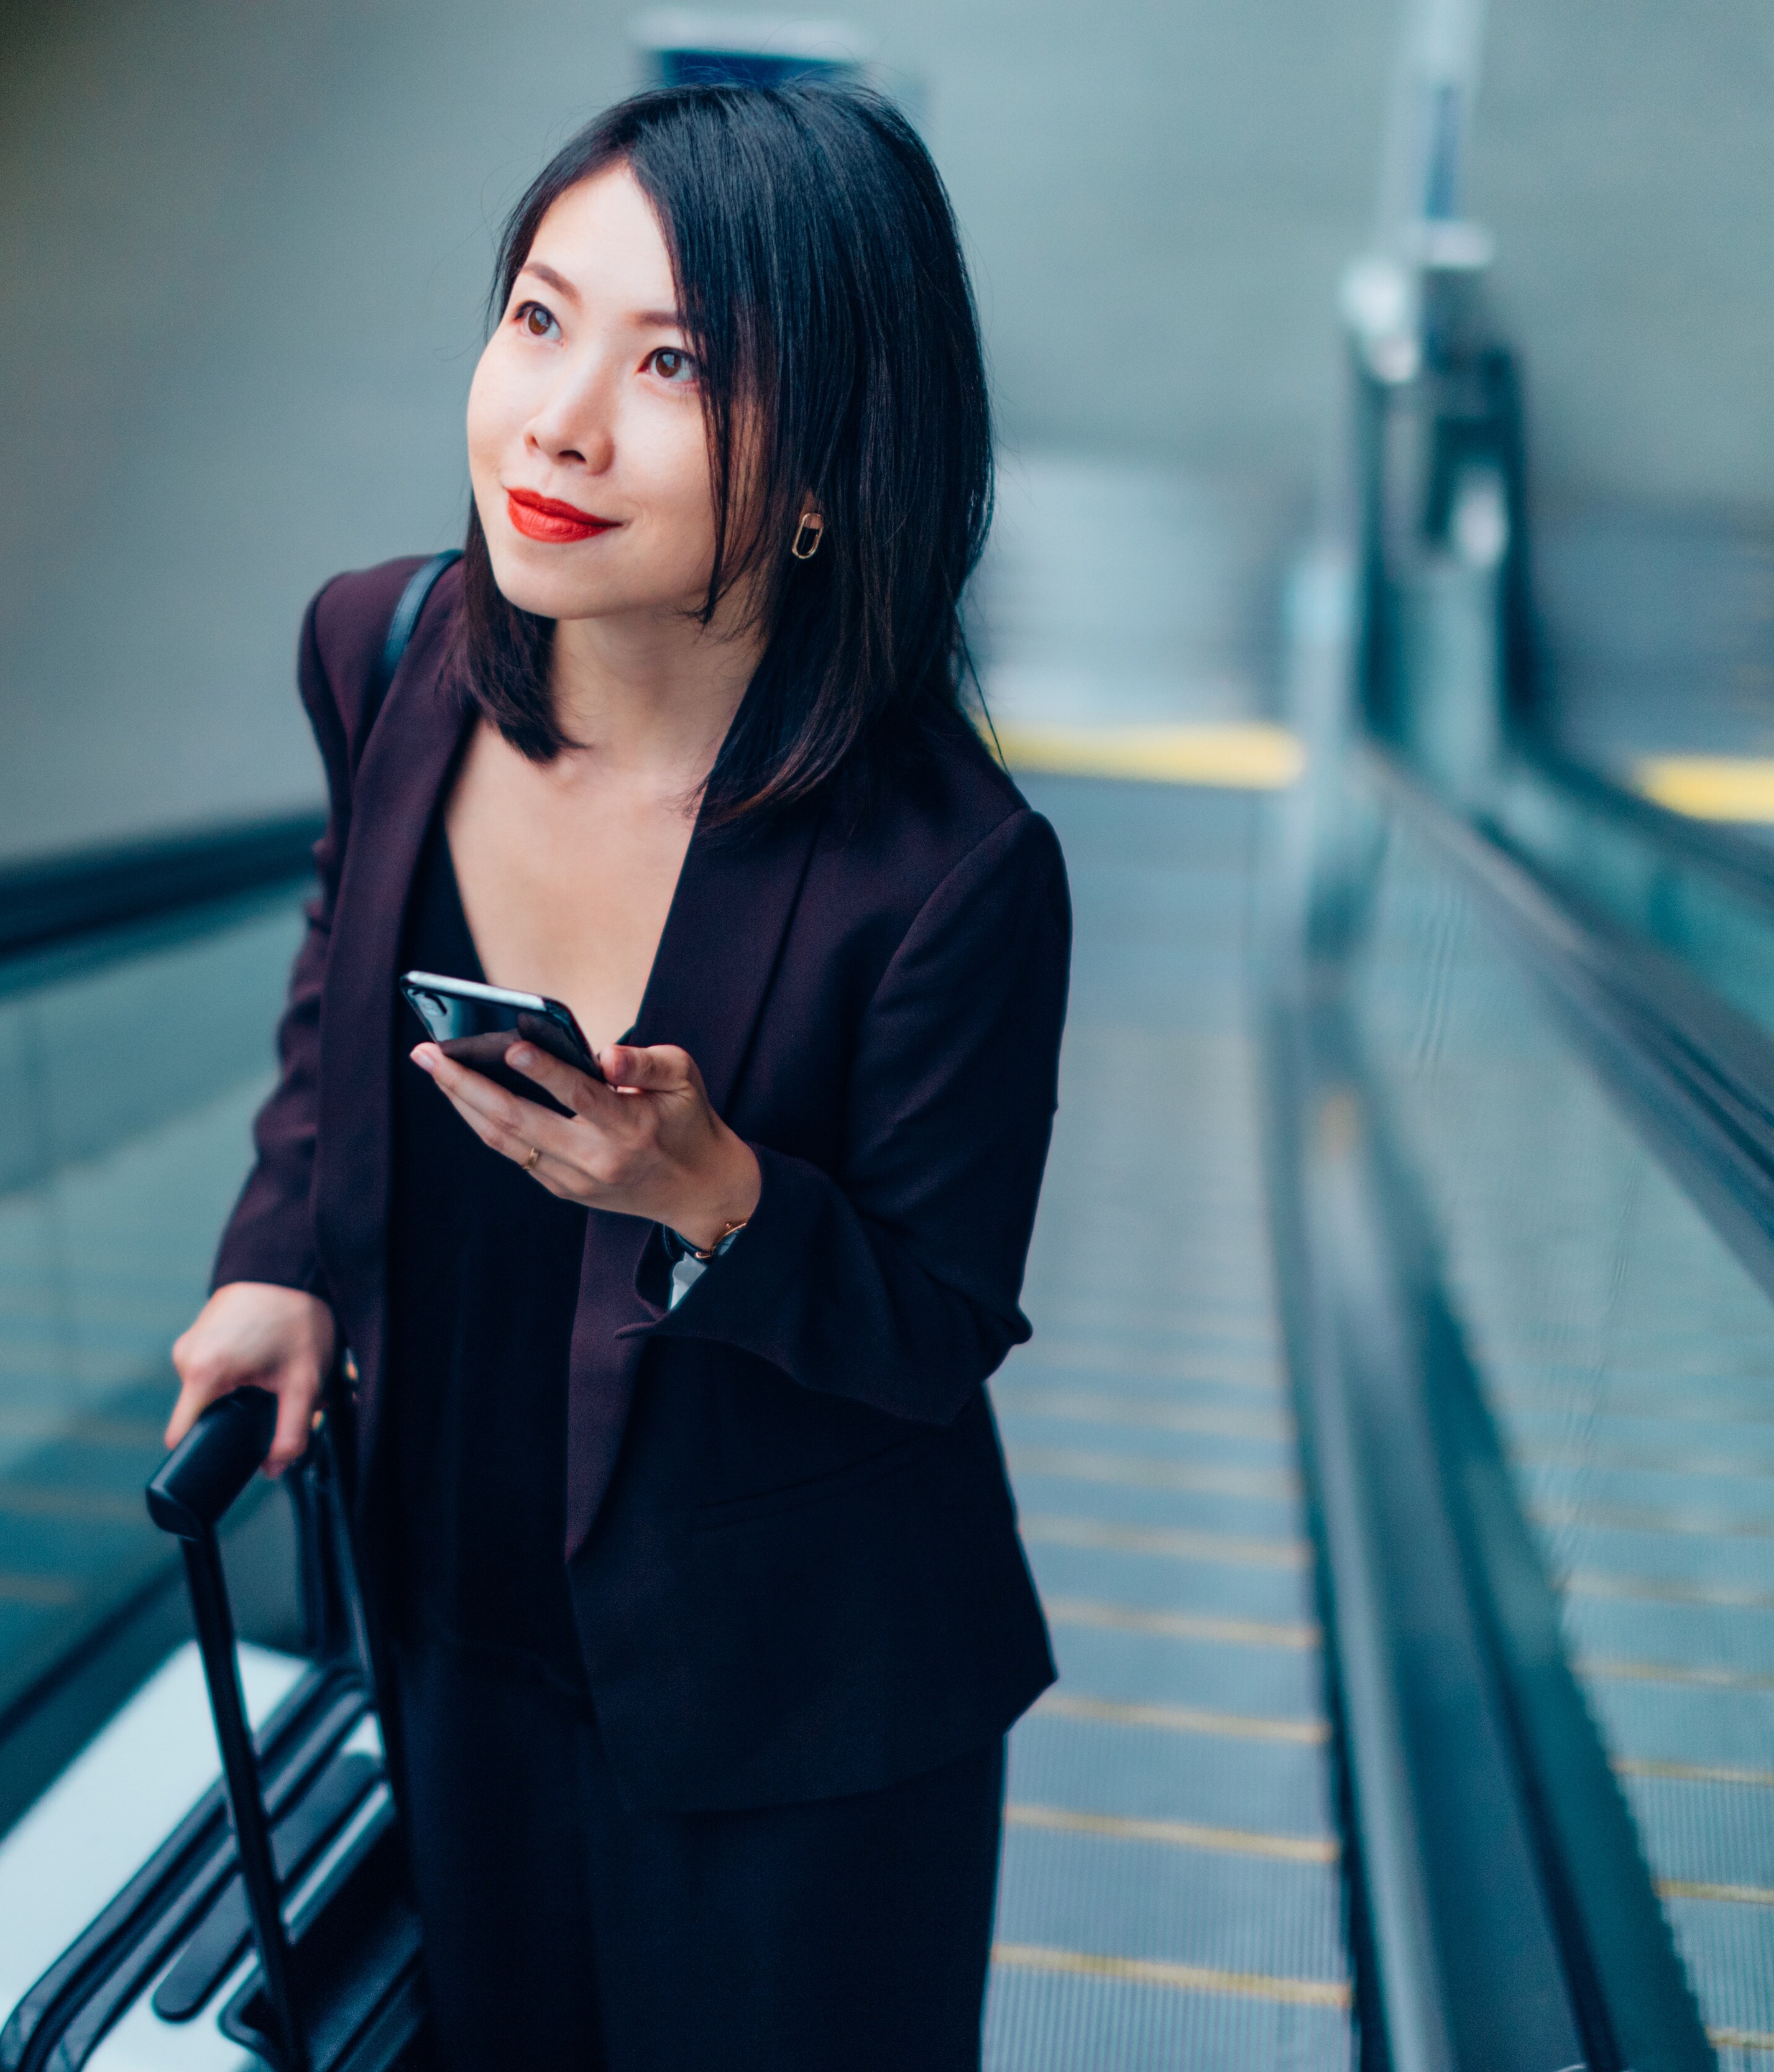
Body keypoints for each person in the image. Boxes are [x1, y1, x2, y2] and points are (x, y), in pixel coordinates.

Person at [167, 78, 1070, 2071]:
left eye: (674, 364)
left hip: (791, 1700)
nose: (559, 421)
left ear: (830, 467)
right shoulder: (391, 648)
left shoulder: (944, 871)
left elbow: (936, 1327)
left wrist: (713, 1198)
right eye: (540, 319)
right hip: (463, 1598)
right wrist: (287, 1252)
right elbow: (346, 961)